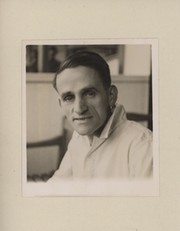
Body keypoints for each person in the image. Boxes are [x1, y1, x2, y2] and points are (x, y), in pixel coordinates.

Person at [49, 51, 153, 181]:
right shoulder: (78, 138)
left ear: (111, 96)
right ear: (61, 104)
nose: (79, 109)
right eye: (68, 98)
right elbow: (58, 184)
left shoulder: (143, 145)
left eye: (89, 93)